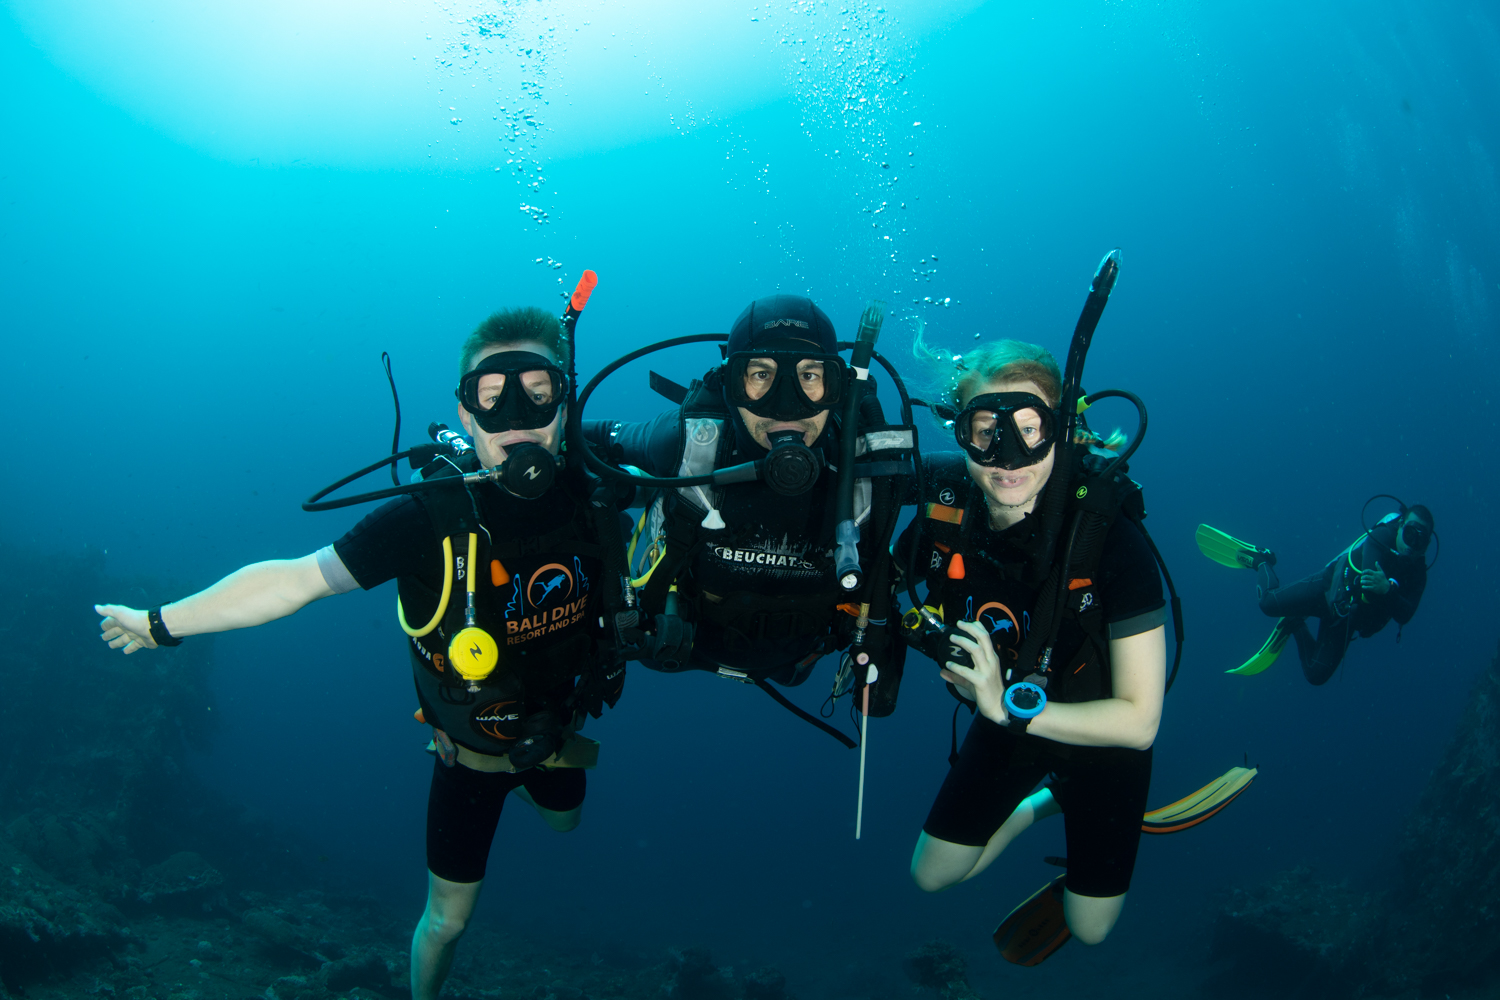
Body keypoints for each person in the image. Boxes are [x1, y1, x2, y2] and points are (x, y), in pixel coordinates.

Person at [94, 306, 623, 1000]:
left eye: (538, 392)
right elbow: (293, 581)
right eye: (491, 399)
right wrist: (161, 623)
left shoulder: (603, 479)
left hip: (560, 733)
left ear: (566, 403)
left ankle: (539, 786)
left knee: (565, 822)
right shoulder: (426, 519)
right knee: (447, 924)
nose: (515, 417)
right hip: (469, 755)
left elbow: (718, 445)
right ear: (464, 416)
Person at [897, 338, 1166, 951]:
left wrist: (1002, 706)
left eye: (1029, 428)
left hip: (1099, 737)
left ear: (1062, 433)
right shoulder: (948, 512)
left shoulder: (1111, 541)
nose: (1007, 456)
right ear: (959, 433)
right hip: (1009, 716)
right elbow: (881, 591)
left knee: (1090, 930)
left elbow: (1140, 722)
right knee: (930, 876)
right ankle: (1041, 801)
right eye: (987, 430)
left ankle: (1056, 796)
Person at [582, 293, 909, 738]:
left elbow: (982, 476)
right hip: (677, 644)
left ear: (839, 388)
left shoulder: (868, 468)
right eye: (760, 375)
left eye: (810, 376)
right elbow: (588, 436)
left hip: (798, 660)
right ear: (729, 383)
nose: (786, 406)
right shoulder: (686, 441)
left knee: (793, 671)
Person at [1197, 503, 1433, 684]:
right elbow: (1366, 588)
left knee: (1315, 675)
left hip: (1344, 619)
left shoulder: (1418, 573)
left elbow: (1406, 615)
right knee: (1267, 603)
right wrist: (1386, 591)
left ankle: (1295, 621)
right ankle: (1260, 560)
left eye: (1421, 541)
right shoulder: (1381, 537)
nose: (1412, 544)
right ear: (1400, 525)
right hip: (1327, 587)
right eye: (1410, 534)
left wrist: (1387, 590)